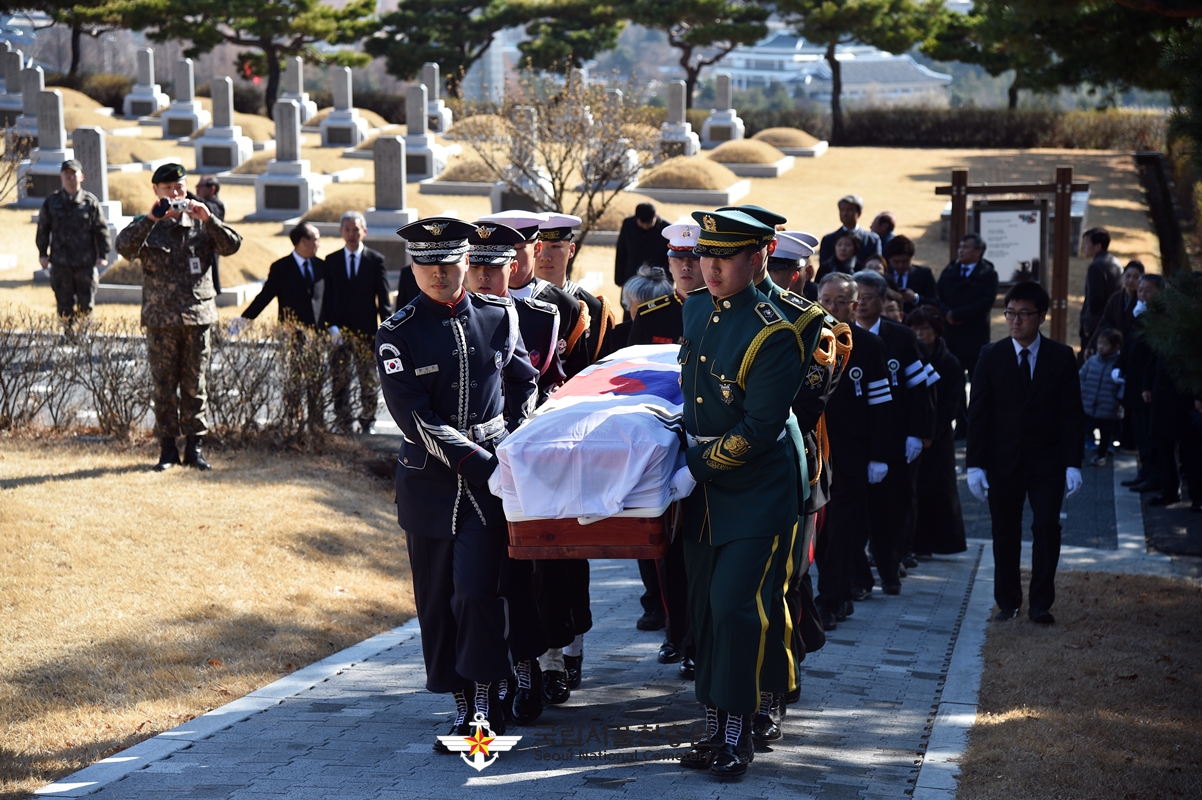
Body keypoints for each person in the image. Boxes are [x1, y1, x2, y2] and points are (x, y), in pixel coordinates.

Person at [377, 216, 538, 747]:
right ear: (414, 266)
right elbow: (416, 418)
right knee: (439, 601)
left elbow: (523, 381)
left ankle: (487, 698)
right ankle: (465, 704)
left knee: (476, 592)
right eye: (426, 263)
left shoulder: (499, 315)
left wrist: (514, 438)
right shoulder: (396, 334)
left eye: (448, 261)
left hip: (490, 487)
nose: (438, 273)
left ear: (467, 261)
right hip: (431, 487)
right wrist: (480, 461)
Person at [673, 208, 801, 778]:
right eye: (706, 254)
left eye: (726, 257)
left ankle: (736, 732)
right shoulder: (697, 306)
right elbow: (694, 396)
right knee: (705, 607)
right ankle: (713, 724)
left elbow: (758, 428)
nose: (712, 267)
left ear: (760, 257)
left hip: (756, 485)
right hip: (703, 489)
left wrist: (695, 465)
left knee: (736, 606)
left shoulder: (779, 328)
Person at [461, 220, 557, 725]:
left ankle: (525, 669)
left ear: (513, 266)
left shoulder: (532, 315)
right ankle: (484, 682)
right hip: (461, 470)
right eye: (472, 266)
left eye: (491, 268)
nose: (481, 277)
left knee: (513, 580)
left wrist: (518, 433)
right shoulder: (452, 316)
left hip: (511, 465)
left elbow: (530, 380)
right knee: (471, 587)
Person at [966, 281, 1084, 625]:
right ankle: (1007, 601)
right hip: (1003, 461)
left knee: (1047, 526)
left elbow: (1071, 414)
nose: (1015, 321)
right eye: (1010, 314)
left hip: (1047, 462)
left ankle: (1040, 603)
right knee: (1005, 531)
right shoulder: (991, 355)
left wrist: (1073, 464)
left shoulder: (1061, 357)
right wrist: (974, 465)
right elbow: (979, 414)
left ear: (1041, 317)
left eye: (1024, 314)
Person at [533, 213, 615, 700]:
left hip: (574, 449)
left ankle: (570, 647)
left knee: (570, 555)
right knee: (531, 558)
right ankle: (539, 658)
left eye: (554, 247)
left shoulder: (590, 310)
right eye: (537, 246)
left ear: (570, 252)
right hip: (527, 447)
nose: (543, 254)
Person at [115, 163, 242, 471]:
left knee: (195, 385)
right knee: (163, 386)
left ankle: (195, 448)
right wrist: (150, 218)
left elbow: (232, 245)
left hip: (197, 318)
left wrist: (209, 219)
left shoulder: (202, 223)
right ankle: (168, 450)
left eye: (180, 189)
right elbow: (124, 246)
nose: (175, 194)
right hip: (161, 320)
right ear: (155, 190)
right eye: (168, 189)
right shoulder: (147, 224)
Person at [813, 272, 891, 629]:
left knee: (843, 532)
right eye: (826, 300)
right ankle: (840, 594)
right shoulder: (806, 340)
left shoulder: (869, 346)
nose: (831, 307)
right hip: (815, 455)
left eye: (840, 302)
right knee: (821, 534)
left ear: (854, 305)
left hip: (852, 456)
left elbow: (880, 406)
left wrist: (878, 456)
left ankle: (828, 601)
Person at [851, 269, 934, 595]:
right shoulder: (840, 334)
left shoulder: (901, 337)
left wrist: (918, 432)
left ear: (883, 300)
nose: (860, 303)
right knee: (854, 516)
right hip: (855, 439)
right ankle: (859, 578)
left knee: (890, 511)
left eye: (868, 297)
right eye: (856, 297)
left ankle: (889, 571)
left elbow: (919, 389)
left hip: (895, 438)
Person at [479, 210, 591, 379]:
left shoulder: (565, 306)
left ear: (537, 248)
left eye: (516, 250)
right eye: (501, 253)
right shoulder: (475, 303)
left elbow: (577, 375)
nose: (509, 259)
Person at [906, 305, 966, 556]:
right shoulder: (907, 354)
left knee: (937, 492)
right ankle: (911, 544)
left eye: (926, 328)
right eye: (916, 328)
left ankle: (937, 544)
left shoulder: (950, 362)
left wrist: (933, 430)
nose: (920, 333)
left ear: (937, 330)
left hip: (939, 437)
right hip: (910, 434)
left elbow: (953, 403)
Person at [325, 211, 390, 435]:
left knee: (367, 379)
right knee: (339, 379)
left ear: (365, 231)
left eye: (356, 229)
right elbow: (327, 297)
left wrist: (386, 329)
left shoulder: (375, 260)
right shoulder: (331, 261)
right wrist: (330, 326)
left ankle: (367, 421)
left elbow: (383, 298)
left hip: (367, 331)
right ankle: (343, 421)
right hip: (339, 331)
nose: (352, 234)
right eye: (348, 229)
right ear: (341, 232)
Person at [937, 232, 999, 437]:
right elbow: (939, 296)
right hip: (951, 335)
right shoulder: (951, 270)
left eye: (966, 247)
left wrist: (960, 314)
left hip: (974, 335)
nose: (961, 251)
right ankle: (961, 422)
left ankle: (978, 423)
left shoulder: (987, 273)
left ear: (978, 251)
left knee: (978, 382)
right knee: (954, 381)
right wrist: (947, 313)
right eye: (960, 247)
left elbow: (985, 302)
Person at [36, 159, 111, 326]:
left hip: (85, 263)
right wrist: (42, 254)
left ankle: (84, 337)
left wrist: (103, 254)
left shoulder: (90, 202)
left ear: (81, 176)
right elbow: (43, 229)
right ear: (61, 176)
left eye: (74, 173)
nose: (70, 176)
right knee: (64, 304)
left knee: (86, 304)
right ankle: (68, 336)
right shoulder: (52, 202)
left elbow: (101, 229)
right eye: (67, 173)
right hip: (61, 263)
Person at [1115, 274, 1163, 492]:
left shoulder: (1159, 318)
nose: (1142, 294)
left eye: (1148, 291)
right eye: (1141, 290)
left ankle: (1153, 475)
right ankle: (1145, 472)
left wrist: (1147, 385)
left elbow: (1152, 355)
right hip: (1133, 382)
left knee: (1149, 433)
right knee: (1139, 431)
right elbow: (1129, 346)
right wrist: (1119, 365)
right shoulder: (1139, 314)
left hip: (1147, 386)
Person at [627, 221, 701, 348]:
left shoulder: (722, 314)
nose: (686, 267)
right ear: (670, 263)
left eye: (694, 259)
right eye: (679, 258)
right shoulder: (648, 316)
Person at [240, 222, 329, 327]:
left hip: (319, 333)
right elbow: (265, 296)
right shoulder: (281, 268)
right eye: (316, 240)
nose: (319, 244)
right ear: (303, 242)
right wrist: (243, 321)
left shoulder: (321, 265)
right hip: (291, 332)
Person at [603, 264, 675, 358]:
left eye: (650, 303)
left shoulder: (674, 331)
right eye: (638, 300)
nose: (642, 308)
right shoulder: (616, 334)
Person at [1079, 329, 1124, 467]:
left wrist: (1119, 399)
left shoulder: (1119, 364)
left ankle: (1101, 455)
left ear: (1116, 347)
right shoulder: (1092, 361)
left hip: (1108, 406)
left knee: (1106, 433)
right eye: (1099, 343)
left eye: (1104, 345)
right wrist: (1080, 393)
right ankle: (1076, 454)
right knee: (1082, 430)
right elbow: (1081, 377)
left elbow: (1123, 384)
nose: (1100, 347)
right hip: (1088, 403)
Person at [1084, 260, 1143, 357]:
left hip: (1135, 351)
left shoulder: (1142, 302)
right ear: (1123, 276)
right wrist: (1091, 345)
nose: (1131, 280)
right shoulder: (1115, 298)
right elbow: (1104, 322)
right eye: (1128, 276)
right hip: (1114, 350)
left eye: (1136, 277)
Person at [1079, 227, 1123, 357]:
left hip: (1097, 328)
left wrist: (1088, 327)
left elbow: (1095, 301)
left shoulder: (1096, 267)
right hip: (1112, 323)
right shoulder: (1115, 261)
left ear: (1098, 246)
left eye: (1087, 243)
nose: (1084, 247)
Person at [614, 201, 669, 291]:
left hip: (656, 282)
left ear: (656, 215)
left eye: (648, 223)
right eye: (642, 223)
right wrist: (619, 279)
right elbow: (621, 251)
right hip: (631, 277)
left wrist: (667, 282)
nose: (645, 226)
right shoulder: (628, 225)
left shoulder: (666, 229)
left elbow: (669, 259)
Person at [818, 194, 882, 266]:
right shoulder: (828, 239)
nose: (845, 213)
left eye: (849, 210)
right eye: (842, 210)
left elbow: (876, 265)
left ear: (859, 213)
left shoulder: (872, 240)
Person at [885, 235, 938, 313]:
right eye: (896, 262)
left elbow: (935, 302)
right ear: (889, 260)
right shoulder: (884, 274)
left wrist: (915, 298)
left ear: (912, 258)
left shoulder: (924, 274)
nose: (900, 265)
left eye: (905, 261)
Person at [194, 176, 225, 294]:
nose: (197, 189)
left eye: (200, 186)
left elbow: (207, 208)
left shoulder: (217, 206)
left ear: (212, 189)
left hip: (210, 250)